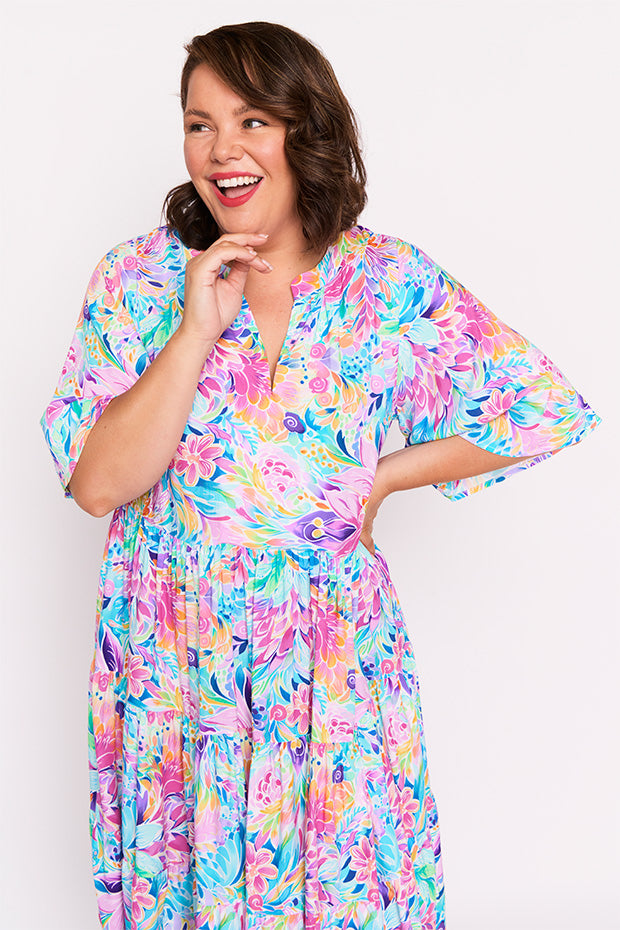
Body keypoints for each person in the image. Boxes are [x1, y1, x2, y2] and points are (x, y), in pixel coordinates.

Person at [41, 20, 601, 930]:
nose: (221, 150)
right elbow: (98, 485)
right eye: (199, 124)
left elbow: (542, 408)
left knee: (344, 894)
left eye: (252, 121)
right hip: (177, 666)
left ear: (306, 130)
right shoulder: (138, 280)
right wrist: (194, 330)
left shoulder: (385, 281)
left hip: (331, 668)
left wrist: (382, 478)